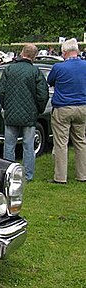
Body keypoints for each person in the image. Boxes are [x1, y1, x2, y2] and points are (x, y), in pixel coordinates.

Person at [0, 43, 49, 181]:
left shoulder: (9, 70)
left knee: (9, 145)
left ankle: (8, 173)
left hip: (11, 112)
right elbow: (43, 94)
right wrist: (38, 109)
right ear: (35, 56)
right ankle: (27, 175)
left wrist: (6, 106)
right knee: (28, 146)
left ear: (21, 53)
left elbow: (1, 91)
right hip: (29, 114)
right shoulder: (35, 72)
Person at [46, 38, 86, 183]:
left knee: (61, 143)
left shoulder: (58, 67)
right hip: (82, 107)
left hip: (63, 107)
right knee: (81, 141)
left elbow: (50, 82)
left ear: (64, 52)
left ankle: (60, 177)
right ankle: (82, 175)